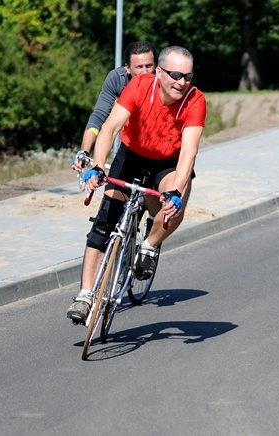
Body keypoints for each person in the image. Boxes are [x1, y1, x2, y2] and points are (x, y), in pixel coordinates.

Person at [66, 46, 206, 324]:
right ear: (159, 72)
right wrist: (96, 165)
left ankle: (150, 245)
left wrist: (176, 191)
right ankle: (84, 295)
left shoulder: (195, 99)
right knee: (105, 222)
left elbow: (189, 152)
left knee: (172, 208)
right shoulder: (140, 86)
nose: (182, 82)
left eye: (188, 76)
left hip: (168, 161)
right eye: (176, 75)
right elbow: (109, 128)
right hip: (131, 155)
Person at [71, 41, 157, 171]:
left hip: (160, 142)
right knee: (112, 188)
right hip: (131, 142)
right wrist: (84, 151)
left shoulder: (163, 80)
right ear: (127, 68)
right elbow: (99, 116)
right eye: (139, 67)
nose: (145, 72)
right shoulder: (117, 79)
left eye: (149, 66)